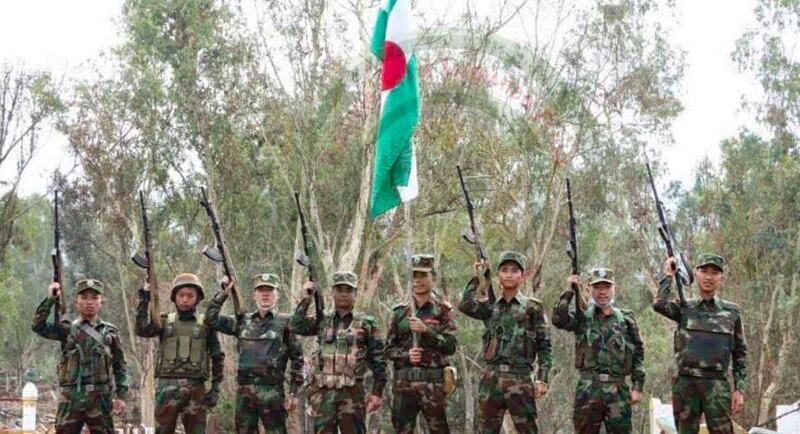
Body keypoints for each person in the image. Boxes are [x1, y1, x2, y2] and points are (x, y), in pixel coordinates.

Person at [458, 251, 552, 434]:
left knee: (528, 430)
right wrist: (479, 277)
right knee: (487, 429)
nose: (509, 274)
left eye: (514, 270)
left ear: (522, 276)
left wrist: (543, 378)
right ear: (498, 275)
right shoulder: (490, 307)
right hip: (491, 378)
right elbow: (465, 305)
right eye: (504, 270)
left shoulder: (532, 308)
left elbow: (545, 345)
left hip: (521, 378)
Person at [653, 253, 747, 434]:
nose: (709, 277)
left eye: (714, 273)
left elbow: (740, 353)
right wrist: (668, 275)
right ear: (696, 274)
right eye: (704, 271)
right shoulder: (685, 307)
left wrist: (739, 390)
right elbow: (659, 304)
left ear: (722, 278)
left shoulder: (731, 312)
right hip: (686, 384)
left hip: (717, 385)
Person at [205, 273, 304, 434]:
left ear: (277, 295)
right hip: (245, 391)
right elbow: (210, 319)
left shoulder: (287, 322)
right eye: (261, 290)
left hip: (272, 392)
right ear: (254, 295)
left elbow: (298, 359)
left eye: (269, 290)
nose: (265, 294)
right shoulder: (242, 320)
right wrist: (223, 293)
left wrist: (293, 392)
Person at [292, 271, 387, 434]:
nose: (344, 293)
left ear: (355, 294)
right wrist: (307, 298)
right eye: (339, 289)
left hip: (352, 395)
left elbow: (379, 361)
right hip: (322, 394)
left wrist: (377, 392)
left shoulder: (366, 324)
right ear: (332, 293)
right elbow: (296, 326)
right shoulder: (322, 320)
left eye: (348, 290)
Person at [552, 267, 645, 433]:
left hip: (617, 394)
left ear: (614, 288)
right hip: (589, 391)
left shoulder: (626, 319)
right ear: (589, 289)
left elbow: (638, 353)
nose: (602, 292)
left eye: (607, 287)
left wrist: (637, 386)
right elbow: (559, 320)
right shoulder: (582, 318)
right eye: (597, 288)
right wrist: (569, 290)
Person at [32, 278, 128, 434]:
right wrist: (50, 299)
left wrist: (121, 395)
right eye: (84, 297)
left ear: (101, 302)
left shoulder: (110, 332)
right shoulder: (66, 329)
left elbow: (119, 364)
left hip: (100, 397)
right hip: (71, 398)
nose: (89, 302)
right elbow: (38, 326)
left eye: (94, 298)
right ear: (76, 301)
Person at [135, 273, 224, 434]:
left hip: (196, 390)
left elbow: (218, 356)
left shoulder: (206, 325)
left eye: (190, 295)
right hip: (166, 388)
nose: (185, 299)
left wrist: (215, 389)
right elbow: (141, 330)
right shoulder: (163, 321)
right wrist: (145, 299)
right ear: (174, 297)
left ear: (198, 298)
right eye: (181, 295)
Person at [386, 254, 457, 433]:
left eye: (423, 276)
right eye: (414, 276)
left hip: (432, 382)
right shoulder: (400, 312)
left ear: (433, 278)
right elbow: (388, 349)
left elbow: (451, 345)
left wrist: (426, 331)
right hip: (404, 383)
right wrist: (405, 355)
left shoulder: (443, 310)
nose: (418, 281)